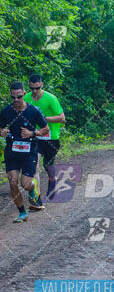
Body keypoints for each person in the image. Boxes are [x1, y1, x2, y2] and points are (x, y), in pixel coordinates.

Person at [0, 81, 49, 222]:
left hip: (29, 152)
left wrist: (32, 133)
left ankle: (32, 189)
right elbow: (0, 128)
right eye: (13, 97)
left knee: (25, 184)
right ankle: (22, 212)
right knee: (12, 182)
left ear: (24, 94)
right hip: (12, 152)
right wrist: (2, 132)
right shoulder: (6, 111)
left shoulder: (33, 111)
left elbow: (46, 130)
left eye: (19, 97)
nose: (16, 100)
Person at [25, 74, 65, 209]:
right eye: (32, 88)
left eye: (37, 88)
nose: (34, 91)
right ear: (29, 86)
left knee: (48, 165)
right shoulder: (26, 98)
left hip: (51, 137)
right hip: (35, 137)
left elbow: (62, 118)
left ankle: (53, 180)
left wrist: (43, 118)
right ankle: (37, 199)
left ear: (42, 84)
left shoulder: (51, 99)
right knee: (34, 166)